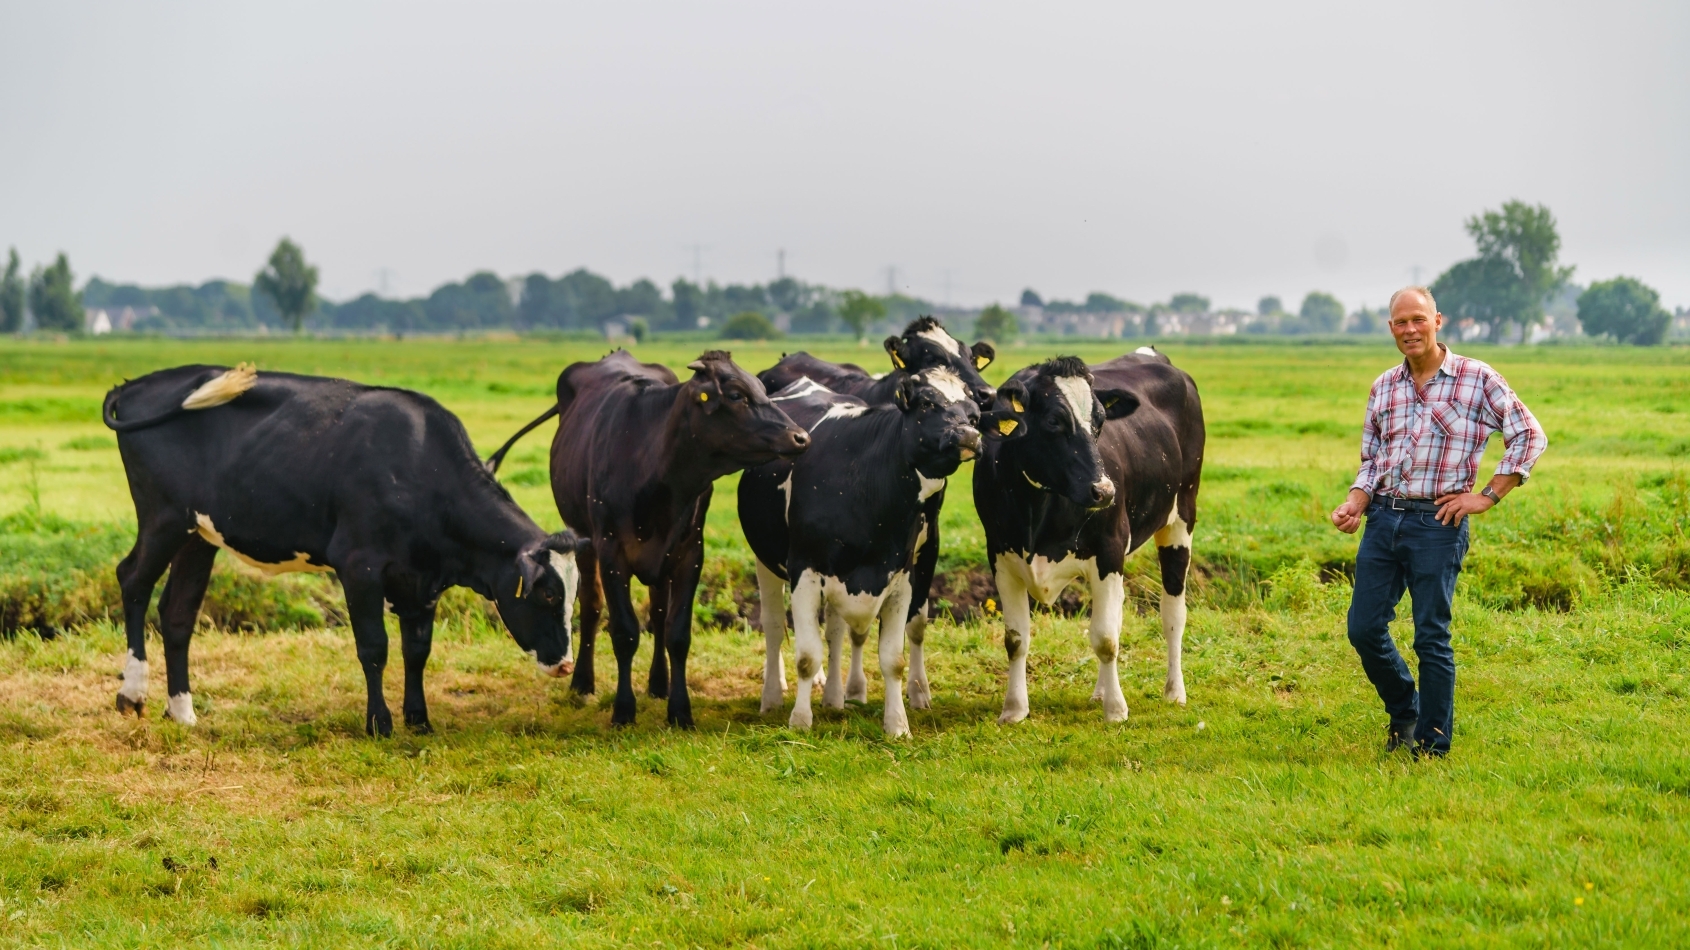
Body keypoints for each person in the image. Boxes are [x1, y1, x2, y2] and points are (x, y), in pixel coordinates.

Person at [1330, 286, 1547, 758]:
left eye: (1418, 320)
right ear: (1391, 328)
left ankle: (1431, 743)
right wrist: (1355, 502)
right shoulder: (1384, 386)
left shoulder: (1476, 378)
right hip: (1384, 518)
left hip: (1438, 524)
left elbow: (1530, 436)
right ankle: (1405, 708)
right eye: (1401, 322)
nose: (1410, 329)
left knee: (1431, 634)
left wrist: (1487, 496)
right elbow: (1372, 460)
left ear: (1437, 321)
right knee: (1363, 628)